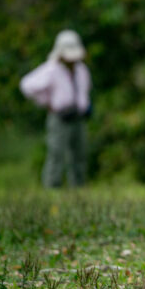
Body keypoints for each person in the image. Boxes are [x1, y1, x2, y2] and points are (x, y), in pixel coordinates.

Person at [19, 30, 92, 188]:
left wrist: (85, 105)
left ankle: (79, 187)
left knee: (79, 154)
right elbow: (27, 85)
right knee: (57, 153)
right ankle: (52, 186)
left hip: (78, 117)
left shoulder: (81, 70)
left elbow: (85, 90)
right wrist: (45, 101)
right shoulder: (51, 69)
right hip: (60, 117)